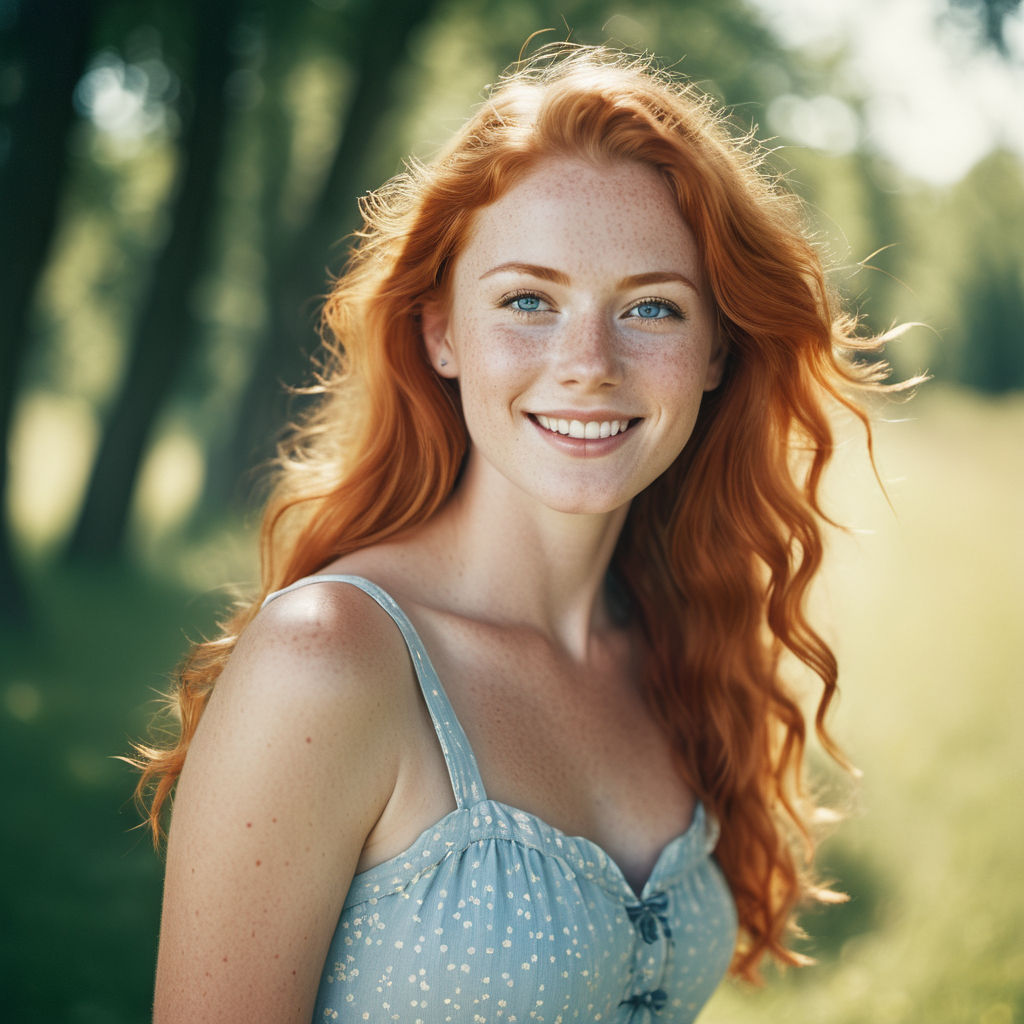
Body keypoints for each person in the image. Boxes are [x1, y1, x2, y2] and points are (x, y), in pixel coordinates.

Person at [132, 44, 906, 1023]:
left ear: (716, 350)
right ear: (440, 332)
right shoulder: (329, 660)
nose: (587, 364)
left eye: (651, 307)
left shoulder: (671, 644)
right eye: (528, 301)